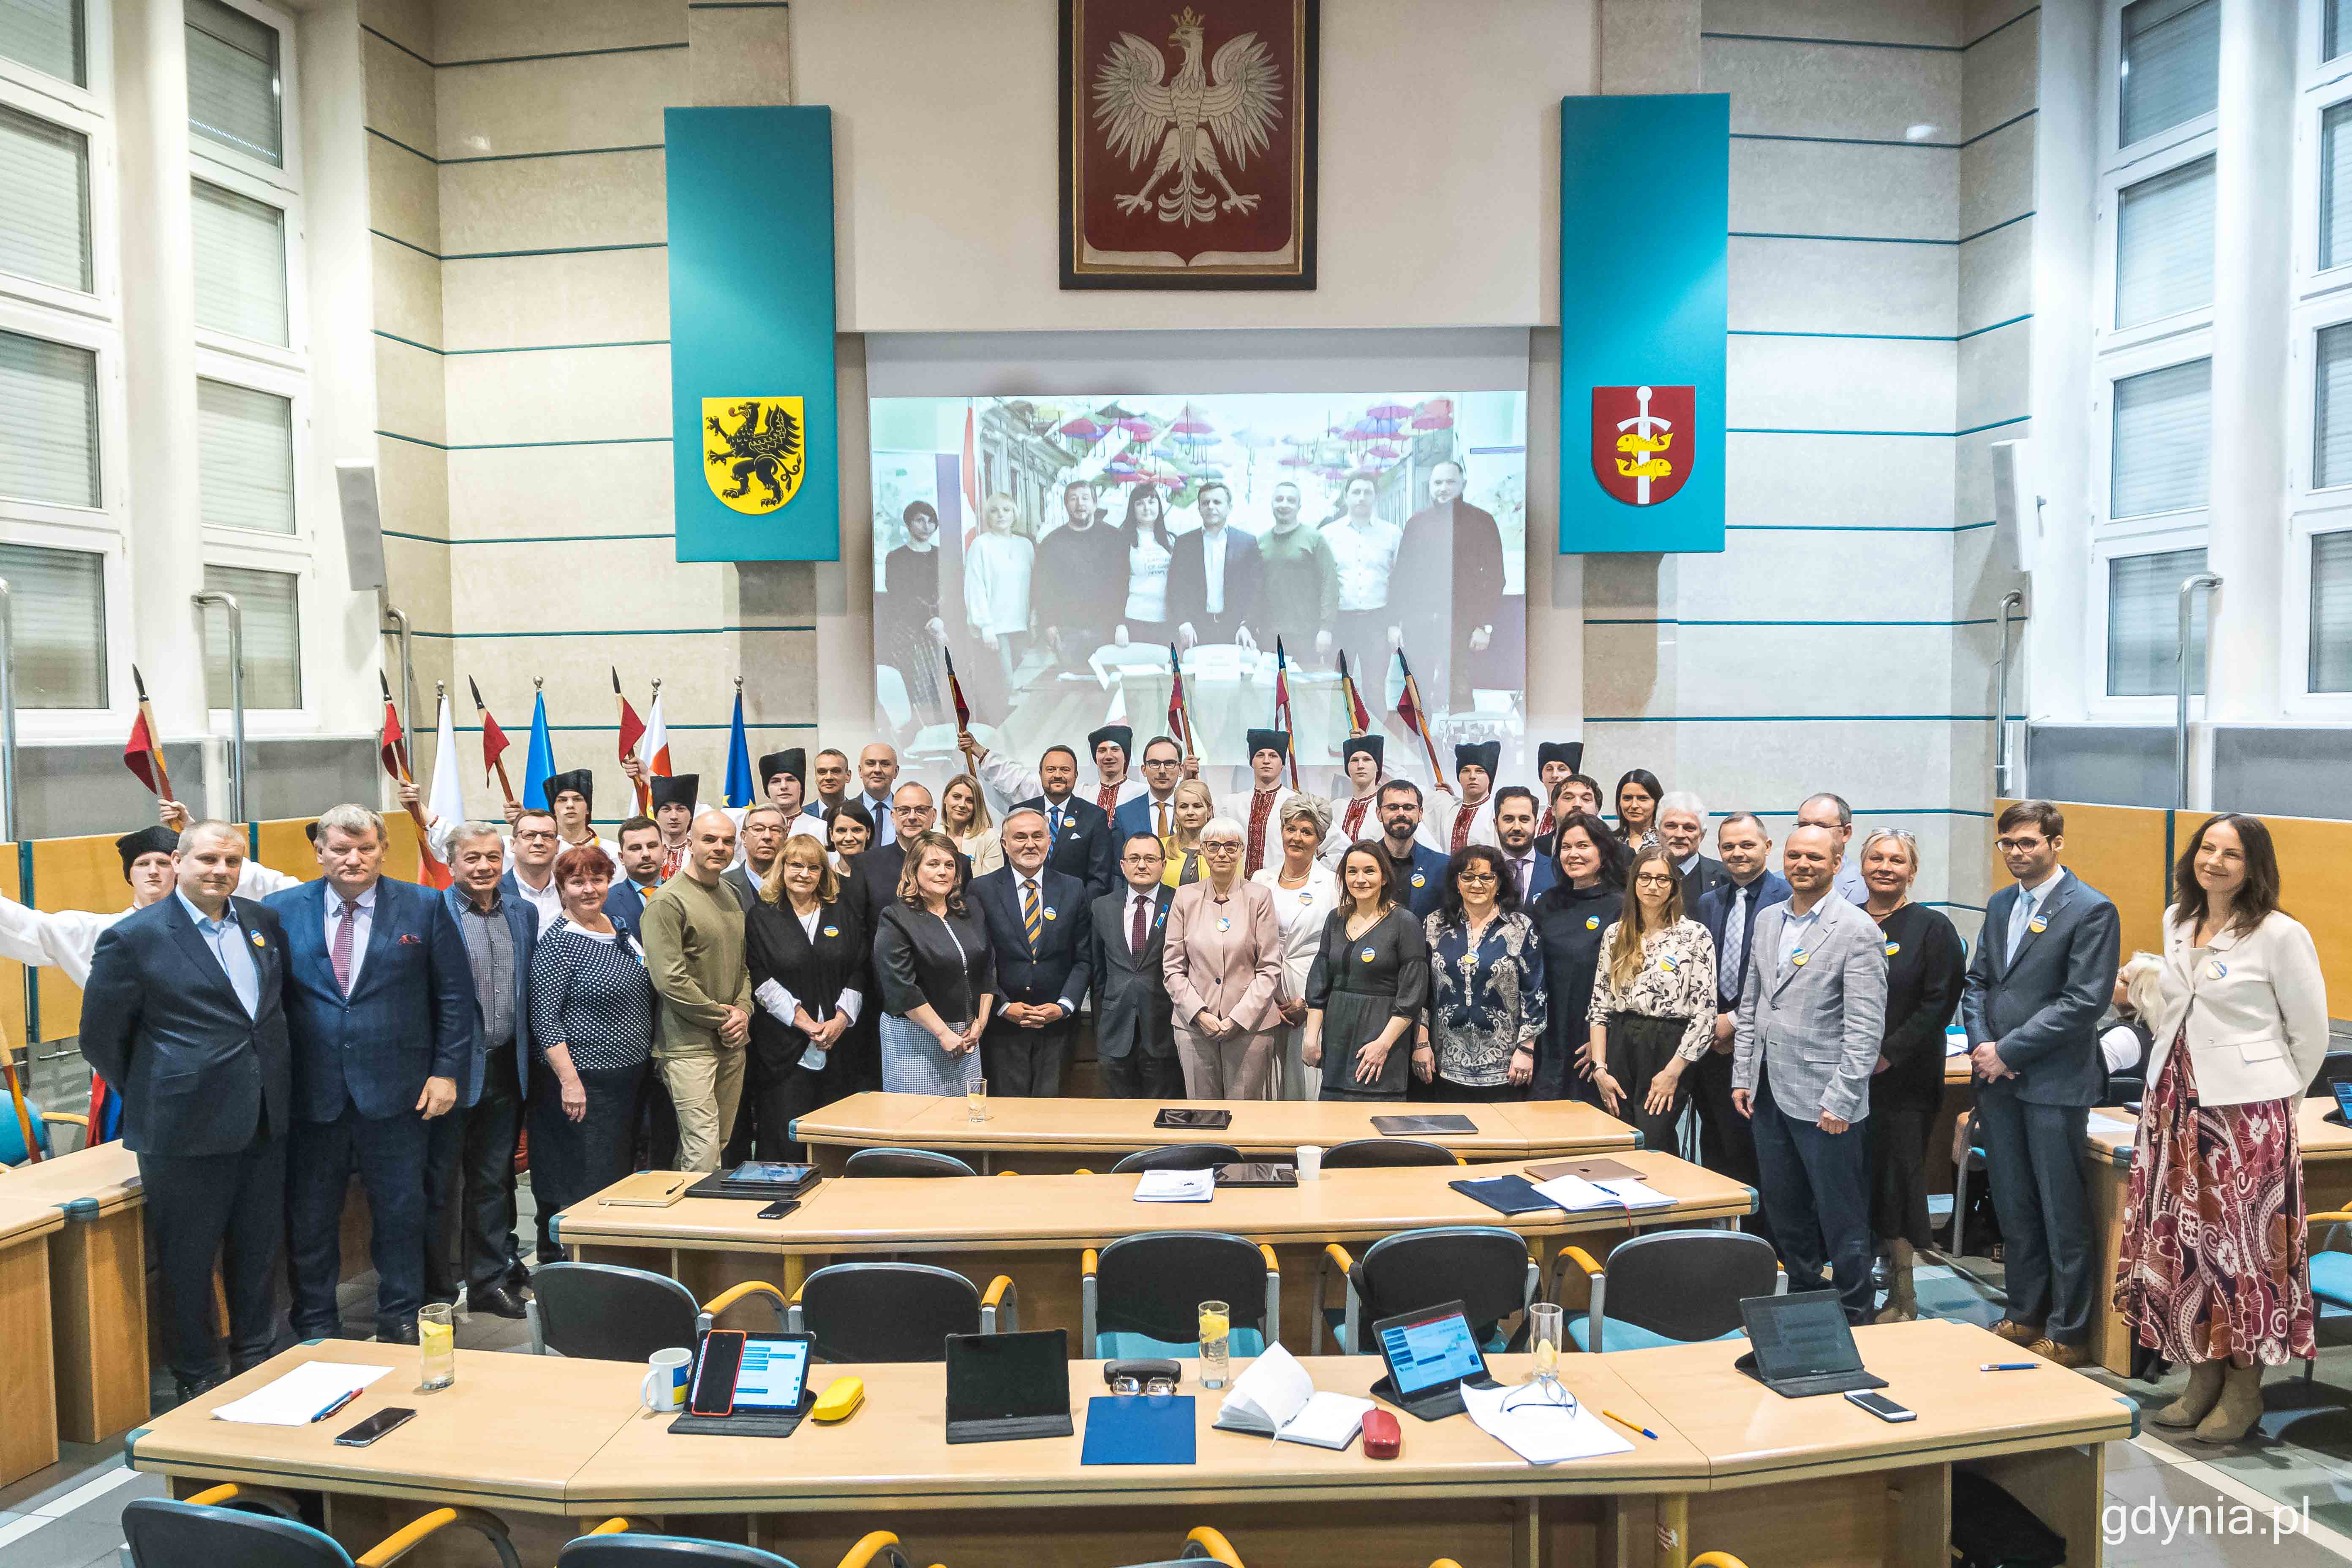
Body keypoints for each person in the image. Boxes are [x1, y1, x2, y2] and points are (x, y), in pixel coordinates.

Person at [2119, 813, 2330, 1442]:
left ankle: (2245, 1388)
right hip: (2176, 1106)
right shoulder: (2178, 920)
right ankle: (2202, 1374)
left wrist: (2272, 1097)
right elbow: (2175, 1010)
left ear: (2253, 865)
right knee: (2188, 1252)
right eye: (2207, 849)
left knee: (2243, 1255)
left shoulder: (2280, 935)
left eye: (2231, 854)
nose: (2215, 861)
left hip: (2247, 1120)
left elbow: (2310, 1033)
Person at [78, 820, 290, 1401]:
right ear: (178, 861)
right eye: (208, 860)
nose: (221, 871)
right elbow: (100, 1037)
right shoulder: (136, 937)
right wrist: (158, 1086)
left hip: (264, 1120)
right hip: (182, 1128)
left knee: (257, 1249)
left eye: (232, 861)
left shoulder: (262, 923)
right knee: (189, 1259)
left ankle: (256, 1354)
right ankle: (198, 1372)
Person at [267, 803, 476, 1345]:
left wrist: (447, 1072)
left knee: (401, 1212)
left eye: (365, 848)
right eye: (340, 848)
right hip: (312, 1097)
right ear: (319, 853)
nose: (353, 859)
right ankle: (315, 1321)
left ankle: (400, 1315)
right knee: (310, 1217)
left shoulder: (426, 906)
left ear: (384, 849)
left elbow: (454, 996)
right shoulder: (278, 911)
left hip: (400, 1093)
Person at [1962, 799, 2121, 1366]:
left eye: (2029, 843)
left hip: (2053, 1081)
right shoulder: (2003, 902)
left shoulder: (2091, 909)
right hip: (1998, 1081)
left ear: (2056, 844)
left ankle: (2069, 1330)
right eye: (2008, 844)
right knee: (2015, 1205)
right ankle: (2025, 1313)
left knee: (2060, 1211)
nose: (2017, 853)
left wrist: (2009, 1050)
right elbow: (1977, 981)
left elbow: (2084, 1002)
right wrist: (1984, 1048)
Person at [1732, 823, 1886, 1323]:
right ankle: (1803, 1299)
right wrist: (1742, 1074)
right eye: (1795, 855)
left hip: (1827, 1101)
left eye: (1815, 858)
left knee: (1841, 1216)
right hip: (1769, 1091)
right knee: (1785, 1210)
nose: (1802, 864)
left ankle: (1856, 1309)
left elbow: (1865, 1028)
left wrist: (1842, 1098)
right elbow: (1752, 1001)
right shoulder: (1768, 920)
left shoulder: (1858, 930)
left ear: (1837, 863)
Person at [1848, 828, 1967, 1322]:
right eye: (1876, 857)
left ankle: (1904, 1294)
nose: (1885, 867)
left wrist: (1889, 1053)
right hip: (1846, 1080)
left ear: (1912, 872)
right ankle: (1854, 1286)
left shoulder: (1931, 927)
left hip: (1904, 1082)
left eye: (1896, 860)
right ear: (1861, 865)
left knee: (1898, 1183)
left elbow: (1941, 1001)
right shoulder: (1845, 922)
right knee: (1854, 1183)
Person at [428, 821, 539, 1321]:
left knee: (493, 1181)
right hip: (449, 1072)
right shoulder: (434, 912)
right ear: (452, 863)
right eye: (472, 858)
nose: (484, 867)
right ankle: (435, 1288)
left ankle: (489, 1281)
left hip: (505, 1067)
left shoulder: (523, 913)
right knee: (440, 1185)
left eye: (493, 857)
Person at [525, 844, 655, 1260]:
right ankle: (579, 1268)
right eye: (577, 881)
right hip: (586, 1086)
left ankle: (612, 1258)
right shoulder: (556, 945)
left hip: (629, 1082)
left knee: (617, 1176)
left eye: (597, 879)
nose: (588, 889)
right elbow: (545, 1022)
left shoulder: (617, 926)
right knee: (586, 1179)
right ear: (561, 888)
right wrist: (571, 1082)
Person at [640, 810, 753, 1173]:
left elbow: (743, 966)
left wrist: (743, 1012)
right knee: (703, 1148)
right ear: (689, 844)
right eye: (709, 839)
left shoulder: (731, 893)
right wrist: (726, 1018)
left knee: (715, 1143)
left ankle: (678, 1222)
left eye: (727, 841)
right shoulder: (667, 901)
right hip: (687, 1046)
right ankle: (692, 1230)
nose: (719, 847)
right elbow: (670, 980)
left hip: (732, 1041)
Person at [1585, 847, 1717, 1150]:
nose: (1653, 886)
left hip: (1668, 1048)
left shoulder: (1695, 936)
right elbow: (1599, 1007)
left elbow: (1705, 1016)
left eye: (1662, 879)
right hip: (1620, 1043)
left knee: (1654, 1140)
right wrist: (1600, 1068)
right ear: (1633, 882)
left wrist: (1673, 1072)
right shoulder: (1615, 934)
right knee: (1620, 1141)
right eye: (1645, 878)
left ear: (1674, 885)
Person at [744, 834, 864, 1157]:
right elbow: (760, 976)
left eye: (814, 868)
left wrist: (840, 1020)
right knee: (786, 1138)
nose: (804, 874)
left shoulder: (842, 913)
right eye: (796, 865)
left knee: (834, 1139)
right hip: (784, 1049)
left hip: (840, 1046)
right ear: (782, 868)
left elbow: (859, 968)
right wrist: (805, 1023)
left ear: (824, 874)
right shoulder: (762, 916)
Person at [1693, 813, 1788, 1211]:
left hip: (1762, 1047)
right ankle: (1721, 1235)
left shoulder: (1787, 899)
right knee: (1715, 1143)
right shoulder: (1709, 901)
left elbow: (1783, 976)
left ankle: (1762, 1243)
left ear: (1768, 847)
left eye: (1747, 845)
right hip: (1711, 1046)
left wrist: (1733, 1022)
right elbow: (1698, 971)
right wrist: (1710, 1025)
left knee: (1757, 1150)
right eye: (1729, 846)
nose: (1738, 853)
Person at [969, 808, 1092, 1097]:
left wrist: (1064, 1005)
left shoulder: (1073, 888)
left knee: (1051, 1116)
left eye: (1038, 836)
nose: (1030, 844)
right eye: (1020, 837)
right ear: (1004, 843)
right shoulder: (981, 890)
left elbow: (1084, 958)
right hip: (1003, 1026)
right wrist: (1001, 1005)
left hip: (1057, 1027)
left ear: (1050, 841)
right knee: (1006, 1117)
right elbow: (977, 958)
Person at [1163, 817, 1285, 1097]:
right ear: (1203, 851)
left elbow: (1269, 967)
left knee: (1246, 1118)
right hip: (1194, 1026)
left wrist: (1238, 1019)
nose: (1222, 853)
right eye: (1214, 846)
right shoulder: (1184, 897)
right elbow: (1173, 967)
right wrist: (1199, 1014)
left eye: (1231, 846)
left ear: (1242, 850)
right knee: (1204, 1115)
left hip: (1250, 1027)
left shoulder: (1260, 897)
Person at [1302, 842, 1430, 1101]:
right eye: (1352, 872)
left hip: (1383, 1039)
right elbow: (1319, 985)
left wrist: (1383, 1045)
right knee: (1333, 1124)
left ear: (1384, 877)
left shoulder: (1405, 922)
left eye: (1369, 871)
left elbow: (1412, 996)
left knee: (1377, 1127)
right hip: (1337, 1039)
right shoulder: (1335, 919)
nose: (1360, 879)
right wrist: (1310, 1038)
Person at [873, 832, 996, 1095]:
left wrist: (980, 1024)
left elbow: (987, 969)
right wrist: (942, 1033)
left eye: (950, 865)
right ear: (913, 870)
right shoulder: (895, 917)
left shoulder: (970, 910)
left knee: (964, 1124)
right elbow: (901, 987)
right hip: (916, 1039)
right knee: (919, 1128)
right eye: (933, 864)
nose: (943, 872)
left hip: (967, 1038)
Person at [1421, 844, 1546, 1102]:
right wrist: (1421, 1044)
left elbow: (1535, 992)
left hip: (1507, 1066)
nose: (1476, 884)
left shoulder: (1521, 927)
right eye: (1467, 877)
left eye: (1486, 877)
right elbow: (1422, 992)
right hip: (1446, 1063)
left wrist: (1527, 1049)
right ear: (1457, 882)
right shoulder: (1434, 925)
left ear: (1499, 882)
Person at [1527, 811, 1628, 1101]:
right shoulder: (1548, 902)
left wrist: (1601, 1038)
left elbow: (1626, 983)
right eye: (1566, 848)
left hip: (1593, 1043)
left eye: (1583, 846)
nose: (1573, 854)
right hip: (1548, 1038)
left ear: (1604, 851)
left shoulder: (1621, 906)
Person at [1391, 458, 1507, 707]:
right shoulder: (1416, 524)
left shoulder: (1483, 522)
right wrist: (1395, 623)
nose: (1443, 488)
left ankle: (1462, 746)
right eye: (1438, 483)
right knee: (1417, 690)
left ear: (1463, 484)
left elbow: (1496, 578)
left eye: (1450, 482)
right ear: (1430, 487)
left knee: (1461, 689)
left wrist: (1484, 625)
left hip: (1464, 623)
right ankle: (1421, 746)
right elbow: (1402, 576)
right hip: (1420, 622)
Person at [1252, 795, 1338, 1100]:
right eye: (1291, 829)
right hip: (1265, 995)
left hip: (1311, 990)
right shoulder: (1260, 879)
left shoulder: (1333, 883)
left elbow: (1338, 949)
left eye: (1307, 831)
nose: (1297, 838)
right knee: (1268, 1085)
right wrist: (1268, 998)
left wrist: (1310, 1001)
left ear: (1319, 839)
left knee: (1307, 1081)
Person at [1091, 834, 1183, 1099]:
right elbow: (1099, 974)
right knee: (1118, 1121)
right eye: (1135, 858)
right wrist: (1101, 1028)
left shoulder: (1181, 903)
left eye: (1150, 859)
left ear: (1164, 865)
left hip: (1164, 1031)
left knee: (1163, 1119)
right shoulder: (1102, 907)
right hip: (1114, 1032)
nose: (1142, 865)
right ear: (1122, 865)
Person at [999, 743, 1116, 899]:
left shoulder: (1094, 817)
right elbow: (1009, 867)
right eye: (1051, 769)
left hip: (1076, 912)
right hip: (1024, 906)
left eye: (1065, 770)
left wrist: (1078, 911)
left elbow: (1100, 878)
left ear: (1076, 775)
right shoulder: (1019, 813)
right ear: (1041, 774)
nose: (1058, 775)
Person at [1037, 476, 1128, 671]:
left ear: (1095, 504)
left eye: (1086, 498)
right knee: (1073, 691)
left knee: (1110, 687)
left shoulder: (1115, 539)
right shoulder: (1051, 543)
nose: (1080, 504)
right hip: (1068, 630)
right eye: (1074, 499)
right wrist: (1048, 624)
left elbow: (1123, 584)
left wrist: (1121, 623)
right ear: (1066, 505)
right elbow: (1042, 588)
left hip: (1108, 629)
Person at [971, 724, 1143, 820]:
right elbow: (1024, 782)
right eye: (1102, 751)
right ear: (1095, 757)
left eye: (1115, 750)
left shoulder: (1142, 793)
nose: (1108, 756)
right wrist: (981, 753)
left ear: (1125, 755)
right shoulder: (1080, 793)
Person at [1325, 471, 1403, 682]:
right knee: (1338, 688)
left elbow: (1400, 582)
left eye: (1367, 492)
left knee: (1375, 688)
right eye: (1356, 492)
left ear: (1375, 496)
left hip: (1377, 622)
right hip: (1340, 622)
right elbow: (1322, 585)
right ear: (1346, 496)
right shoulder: (1328, 535)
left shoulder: (1392, 534)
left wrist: (1394, 624)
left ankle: (1375, 717)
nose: (1361, 498)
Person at [1168, 480, 1260, 650]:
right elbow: (1175, 587)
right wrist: (1183, 623)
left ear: (1229, 508)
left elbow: (1256, 589)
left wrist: (1248, 625)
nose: (1211, 507)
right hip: (1196, 630)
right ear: (1199, 509)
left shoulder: (1247, 543)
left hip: (1236, 630)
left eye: (1217, 502)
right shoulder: (1185, 543)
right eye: (1205, 503)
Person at [1255, 479, 1340, 664]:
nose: (1284, 504)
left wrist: (1326, 628)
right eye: (1279, 499)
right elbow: (1254, 589)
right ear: (1272, 504)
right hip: (1269, 634)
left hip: (1307, 634)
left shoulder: (1314, 539)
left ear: (1299, 506)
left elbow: (1330, 584)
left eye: (1291, 501)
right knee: (1273, 689)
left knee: (1304, 691)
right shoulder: (1261, 542)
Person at [879, 500, 949, 722]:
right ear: (909, 524)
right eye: (920, 520)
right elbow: (900, 595)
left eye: (931, 521)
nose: (926, 526)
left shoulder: (941, 555)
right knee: (915, 684)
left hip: (941, 628)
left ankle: (944, 730)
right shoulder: (896, 557)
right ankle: (919, 732)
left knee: (942, 684)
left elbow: (950, 590)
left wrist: (940, 619)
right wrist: (929, 620)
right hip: (909, 630)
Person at [964, 491, 1036, 694]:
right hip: (996, 631)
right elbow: (975, 587)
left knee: (1025, 685)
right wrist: (986, 627)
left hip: (1022, 627)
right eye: (994, 511)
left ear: (1015, 514)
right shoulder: (981, 545)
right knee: (1006, 689)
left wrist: (1034, 619)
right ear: (988, 517)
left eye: (1006, 510)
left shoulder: (1026, 546)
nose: (1001, 515)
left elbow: (1033, 586)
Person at [1220, 728, 1297, 879]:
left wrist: (1307, 876)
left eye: (1273, 756)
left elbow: (1337, 847)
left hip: (1280, 888)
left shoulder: (1295, 803)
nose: (1266, 761)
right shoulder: (1232, 805)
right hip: (1238, 890)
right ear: (1252, 762)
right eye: (1260, 755)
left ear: (1282, 764)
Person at [1371, 779, 1449, 920]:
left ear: (1420, 813)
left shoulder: (1442, 866)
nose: (1401, 814)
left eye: (1408, 808)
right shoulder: (1363, 862)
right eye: (1393, 807)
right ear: (1379, 813)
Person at [1114, 483, 1176, 648]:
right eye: (1140, 503)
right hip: (1135, 620)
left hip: (1167, 621)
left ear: (1159, 506)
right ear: (1132, 509)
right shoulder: (1123, 540)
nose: (1146, 508)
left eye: (1151, 502)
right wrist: (1120, 623)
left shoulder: (1172, 540)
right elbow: (1115, 585)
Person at [730, 749, 826, 849]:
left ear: (801, 787)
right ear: (767, 790)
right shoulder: (750, 829)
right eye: (776, 781)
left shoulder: (821, 828)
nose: (784, 786)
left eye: (791, 780)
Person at [2101, 952, 2162, 1095]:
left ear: (2141, 995)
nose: (2112, 980)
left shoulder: (2123, 1037)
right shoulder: (2156, 1032)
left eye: (2121, 979)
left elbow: (2076, 1080)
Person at [1114, 734, 1192, 844]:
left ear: (1180, 770)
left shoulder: (1194, 811)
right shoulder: (1124, 814)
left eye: (1169, 763)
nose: (1162, 771)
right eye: (1154, 763)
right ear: (1144, 770)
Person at [1797, 792, 1870, 905]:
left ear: (1846, 833)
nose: (1811, 832)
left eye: (1822, 826)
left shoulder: (1868, 885)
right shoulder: (1779, 884)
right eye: (1803, 826)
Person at [1321, 733, 1386, 856]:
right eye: (1355, 760)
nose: (1360, 766)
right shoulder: (1335, 807)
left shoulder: (1387, 807)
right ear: (1348, 768)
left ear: (1377, 767)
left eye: (1367, 760)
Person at [1657, 791, 1723, 910]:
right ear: (1657, 832)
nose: (1680, 835)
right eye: (1671, 826)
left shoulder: (1725, 877)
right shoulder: (1639, 875)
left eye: (1689, 828)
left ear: (1702, 835)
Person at [1489, 786, 1554, 905]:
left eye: (1524, 819)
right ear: (1496, 824)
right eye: (1509, 819)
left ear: (1536, 824)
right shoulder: (1485, 870)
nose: (1517, 828)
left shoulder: (1557, 871)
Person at [1434, 740, 1501, 854]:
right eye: (1466, 771)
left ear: (1490, 778)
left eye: (1480, 771)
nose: (1472, 776)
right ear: (1459, 777)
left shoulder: (1497, 813)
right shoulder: (1449, 809)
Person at [601, 817, 666, 930]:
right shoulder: (606, 902)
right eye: (635, 848)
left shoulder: (683, 895)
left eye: (652, 846)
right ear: (621, 858)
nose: (646, 854)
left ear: (664, 851)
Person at [724, 804, 789, 911]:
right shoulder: (724, 885)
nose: (767, 836)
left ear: (785, 838)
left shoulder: (796, 885)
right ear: (744, 838)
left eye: (776, 830)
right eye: (758, 829)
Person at [939, 773, 1004, 876]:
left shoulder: (988, 838)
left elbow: (991, 886)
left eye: (970, 801)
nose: (962, 805)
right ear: (945, 799)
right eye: (957, 797)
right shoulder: (932, 835)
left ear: (977, 805)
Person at [1533, 773, 1604, 861]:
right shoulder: (1534, 849)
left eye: (1586, 799)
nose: (1577, 804)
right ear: (1553, 809)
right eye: (1568, 798)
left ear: (1597, 810)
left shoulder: (1616, 850)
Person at [1160, 778, 1217, 887]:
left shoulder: (1224, 849)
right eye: (1184, 807)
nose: (1190, 812)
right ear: (1176, 812)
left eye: (1197, 806)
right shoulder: (1161, 847)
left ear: (1209, 811)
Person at [649, 774, 700, 881]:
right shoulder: (646, 852)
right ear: (656, 816)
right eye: (666, 810)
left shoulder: (700, 853)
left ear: (691, 815)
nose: (674, 817)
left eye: (681, 809)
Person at [1532, 742, 1584, 839]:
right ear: (1542, 777)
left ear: (1572, 776)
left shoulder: (1585, 813)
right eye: (1549, 769)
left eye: (1562, 769)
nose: (1555, 775)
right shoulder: (1533, 815)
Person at [856, 743, 901, 847]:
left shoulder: (907, 814)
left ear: (896, 771)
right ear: (860, 771)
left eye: (885, 764)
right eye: (871, 764)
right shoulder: (844, 813)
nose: (877, 770)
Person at [1613, 769, 1662, 852]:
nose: (1634, 805)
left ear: (1656, 803)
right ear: (1619, 802)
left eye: (1643, 798)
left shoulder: (1665, 842)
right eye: (1627, 798)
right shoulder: (1610, 842)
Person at [825, 799, 875, 875]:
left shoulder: (882, 875)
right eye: (841, 830)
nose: (849, 838)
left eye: (857, 830)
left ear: (868, 832)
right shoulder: (824, 879)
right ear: (832, 834)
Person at [811, 749, 853, 819]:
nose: (829, 777)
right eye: (822, 772)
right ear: (816, 777)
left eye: (836, 771)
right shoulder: (802, 815)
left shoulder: (861, 813)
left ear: (848, 776)